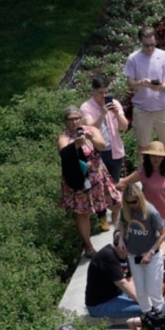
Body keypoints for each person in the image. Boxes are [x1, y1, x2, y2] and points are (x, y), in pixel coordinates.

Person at [57, 106, 120, 257]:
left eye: (77, 118)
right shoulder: (64, 137)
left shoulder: (91, 130)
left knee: (116, 202)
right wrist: (76, 145)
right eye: (71, 119)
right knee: (82, 213)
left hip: (98, 177)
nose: (75, 122)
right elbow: (63, 153)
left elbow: (102, 145)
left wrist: (90, 137)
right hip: (79, 180)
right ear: (66, 122)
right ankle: (88, 246)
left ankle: (117, 228)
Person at [124, 27, 165, 158]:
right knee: (143, 144)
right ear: (140, 42)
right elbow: (130, 83)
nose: (149, 48)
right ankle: (145, 174)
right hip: (142, 108)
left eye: (152, 45)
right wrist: (140, 83)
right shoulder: (133, 58)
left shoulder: (163, 55)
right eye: (146, 45)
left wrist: (162, 86)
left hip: (162, 107)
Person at [117, 184, 165, 312]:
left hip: (151, 255)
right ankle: (146, 316)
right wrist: (122, 239)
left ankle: (161, 317)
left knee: (153, 291)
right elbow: (122, 223)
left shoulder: (151, 212)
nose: (132, 205)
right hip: (134, 255)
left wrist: (150, 252)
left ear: (140, 198)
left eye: (134, 201)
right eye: (128, 202)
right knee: (141, 291)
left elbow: (163, 234)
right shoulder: (126, 210)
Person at [80, 77, 129, 186]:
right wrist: (102, 114)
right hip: (98, 152)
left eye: (106, 92)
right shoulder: (86, 107)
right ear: (93, 91)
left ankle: (114, 203)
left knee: (115, 184)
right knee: (99, 185)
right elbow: (90, 128)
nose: (104, 96)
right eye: (100, 93)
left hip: (115, 151)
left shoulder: (114, 103)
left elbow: (124, 127)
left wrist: (116, 113)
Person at [83, 235, 142, 320]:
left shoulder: (122, 255)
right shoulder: (107, 256)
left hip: (117, 295)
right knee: (144, 309)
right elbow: (122, 283)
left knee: (148, 297)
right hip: (100, 305)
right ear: (122, 247)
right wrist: (142, 302)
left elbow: (129, 281)